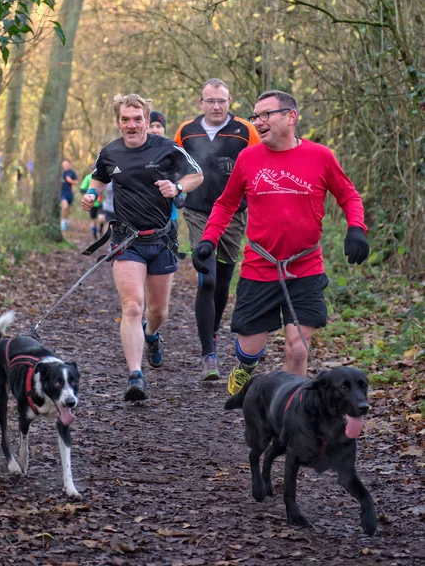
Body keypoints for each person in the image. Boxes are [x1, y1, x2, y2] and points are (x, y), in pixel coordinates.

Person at [192, 90, 369, 393]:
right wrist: (209, 240)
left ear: (290, 117)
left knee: (297, 348)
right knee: (248, 349)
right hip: (259, 266)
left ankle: (291, 412)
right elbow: (225, 204)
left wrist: (356, 229)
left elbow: (349, 196)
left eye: (265, 115)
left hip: (305, 267)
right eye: (255, 116)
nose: (257, 122)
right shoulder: (248, 158)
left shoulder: (321, 156)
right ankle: (246, 369)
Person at [81, 94, 203, 402]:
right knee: (132, 306)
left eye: (137, 119)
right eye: (126, 119)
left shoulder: (167, 149)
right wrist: (91, 196)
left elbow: (196, 175)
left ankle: (152, 335)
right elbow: (98, 180)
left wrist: (177, 187)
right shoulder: (109, 153)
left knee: (157, 310)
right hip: (126, 240)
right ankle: (135, 375)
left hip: (161, 239)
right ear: (118, 122)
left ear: (147, 122)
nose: (132, 125)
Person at [174, 78, 261, 381]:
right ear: (201, 103)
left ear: (229, 101)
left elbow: (261, 165)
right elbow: (173, 166)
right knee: (207, 280)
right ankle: (208, 353)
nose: (215, 106)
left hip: (234, 214)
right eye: (210, 101)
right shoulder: (186, 131)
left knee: (223, 282)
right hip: (199, 213)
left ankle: (211, 332)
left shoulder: (244, 131)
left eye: (221, 101)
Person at [148, 111, 183, 223]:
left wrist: (179, 191)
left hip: (169, 217)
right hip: (140, 218)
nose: (154, 130)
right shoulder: (134, 151)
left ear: (164, 130)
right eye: (151, 126)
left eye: (158, 126)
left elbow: (187, 174)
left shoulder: (173, 151)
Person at [80, 172, 105, 239]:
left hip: (102, 202)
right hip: (92, 203)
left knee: (101, 218)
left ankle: (101, 231)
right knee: (94, 221)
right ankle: (95, 237)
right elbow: (82, 189)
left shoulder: (107, 175)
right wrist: (90, 191)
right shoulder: (89, 177)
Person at [60, 158, 77, 236]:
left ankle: (66, 221)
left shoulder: (72, 172)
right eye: (64, 165)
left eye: (66, 165)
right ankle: (63, 222)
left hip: (69, 193)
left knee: (67, 209)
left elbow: (76, 182)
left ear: (69, 165)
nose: (65, 166)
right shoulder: (60, 173)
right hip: (62, 192)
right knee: (65, 206)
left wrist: (71, 181)